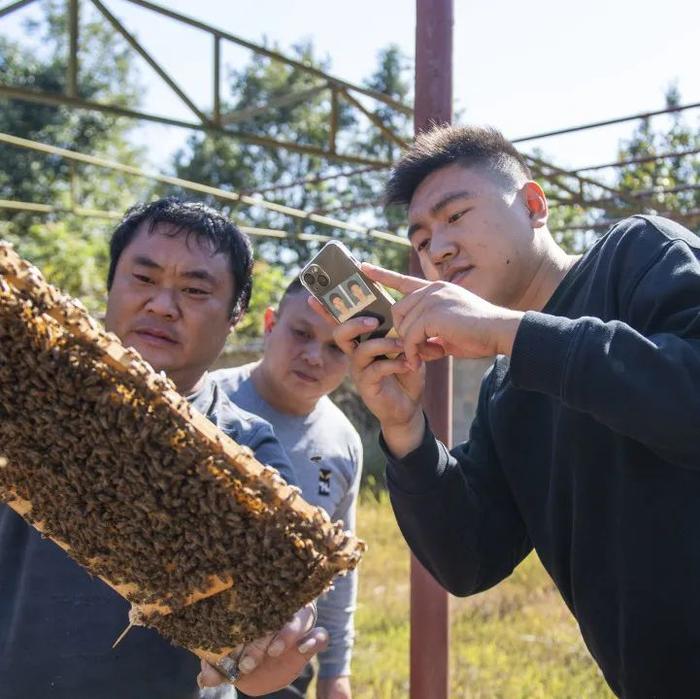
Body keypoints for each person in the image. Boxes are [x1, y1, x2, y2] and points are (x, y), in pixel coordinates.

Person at [326, 125, 700, 698]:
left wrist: (508, 332)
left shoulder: (637, 252)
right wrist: (404, 430)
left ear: (533, 205)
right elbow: (469, 559)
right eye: (421, 240)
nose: (438, 250)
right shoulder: (507, 386)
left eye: (455, 216)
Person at [0, 198, 328, 699]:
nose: (161, 305)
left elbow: (259, 666)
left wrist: (276, 644)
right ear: (111, 285)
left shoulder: (247, 447)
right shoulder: (24, 391)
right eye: (144, 279)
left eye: (195, 290)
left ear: (236, 314)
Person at [213, 278, 362, 699]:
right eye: (301, 333)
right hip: (185, 654)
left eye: (336, 347)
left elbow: (338, 567)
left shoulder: (343, 441)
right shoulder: (208, 401)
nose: (314, 356)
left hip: (283, 661)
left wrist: (336, 671)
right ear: (270, 323)